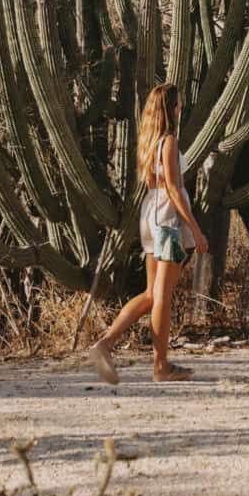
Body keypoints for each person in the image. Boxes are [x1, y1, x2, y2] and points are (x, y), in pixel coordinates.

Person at [88, 82, 208, 383]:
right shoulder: (168, 141)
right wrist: (195, 229)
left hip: (151, 216)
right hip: (168, 220)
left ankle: (105, 344)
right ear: (172, 108)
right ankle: (161, 366)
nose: (181, 108)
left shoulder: (150, 140)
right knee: (163, 298)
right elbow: (173, 187)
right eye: (179, 103)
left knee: (151, 294)